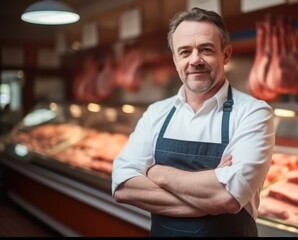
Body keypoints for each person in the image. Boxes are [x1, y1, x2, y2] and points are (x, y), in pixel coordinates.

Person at [111, 7, 275, 237]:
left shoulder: (253, 113)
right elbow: (123, 188)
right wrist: (209, 194)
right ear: (175, 59)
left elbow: (226, 197)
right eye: (185, 51)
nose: (195, 60)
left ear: (225, 55)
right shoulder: (157, 112)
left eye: (206, 50)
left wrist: (157, 173)